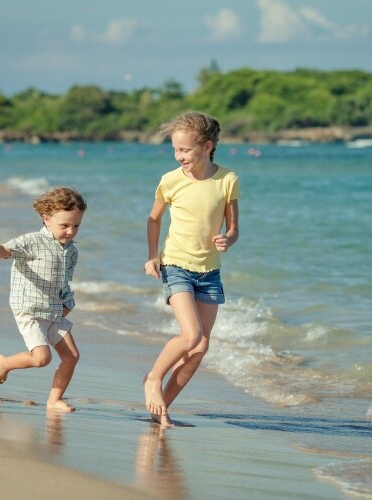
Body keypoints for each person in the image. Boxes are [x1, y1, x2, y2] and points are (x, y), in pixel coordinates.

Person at [143, 111, 239, 426]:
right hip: (176, 266)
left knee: (200, 347)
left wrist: (227, 239)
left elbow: (234, 227)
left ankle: (161, 409)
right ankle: (153, 378)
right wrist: (152, 255)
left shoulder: (227, 180)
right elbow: (154, 219)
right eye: (175, 150)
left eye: (184, 150)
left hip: (209, 271)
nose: (179, 156)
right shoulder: (170, 180)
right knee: (191, 334)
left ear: (207, 146)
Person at [0, 187, 86, 412]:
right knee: (41, 358)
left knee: (72, 356)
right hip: (30, 309)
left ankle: (54, 400)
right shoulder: (32, 241)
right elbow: (6, 250)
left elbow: (64, 281)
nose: (70, 231)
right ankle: (4, 363)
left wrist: (68, 303)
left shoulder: (71, 251)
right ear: (47, 220)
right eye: (64, 225)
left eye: (76, 226)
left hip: (54, 311)